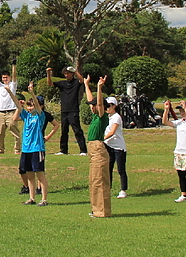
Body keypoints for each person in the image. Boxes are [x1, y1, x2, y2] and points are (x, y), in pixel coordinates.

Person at [2, 81, 51, 206]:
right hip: (26, 149)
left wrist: (32, 93)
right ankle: (31, 198)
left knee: (40, 174)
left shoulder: (40, 116)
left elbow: (39, 108)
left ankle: (44, 199)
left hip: (37, 148)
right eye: (29, 106)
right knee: (29, 175)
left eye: (32, 106)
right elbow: (17, 105)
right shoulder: (26, 116)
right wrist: (9, 91)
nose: (30, 108)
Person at [84, 75, 111, 218]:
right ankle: (96, 210)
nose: (92, 106)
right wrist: (86, 84)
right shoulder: (95, 115)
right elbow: (91, 101)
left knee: (100, 181)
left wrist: (100, 87)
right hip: (93, 150)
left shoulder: (102, 116)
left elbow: (99, 104)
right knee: (94, 181)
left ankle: (102, 212)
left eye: (93, 105)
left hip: (98, 149)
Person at [47, 65, 85, 155]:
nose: (66, 75)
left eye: (68, 73)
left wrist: (75, 71)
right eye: (65, 74)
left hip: (73, 110)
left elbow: (82, 80)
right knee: (64, 131)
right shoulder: (62, 83)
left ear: (71, 74)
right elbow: (50, 83)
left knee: (77, 130)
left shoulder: (76, 82)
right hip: (64, 110)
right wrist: (48, 73)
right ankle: (63, 150)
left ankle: (83, 150)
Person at [102, 96, 128, 199]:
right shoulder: (107, 117)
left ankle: (123, 190)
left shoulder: (117, 117)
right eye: (106, 106)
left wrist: (102, 138)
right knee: (108, 168)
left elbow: (112, 132)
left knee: (121, 169)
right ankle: (108, 188)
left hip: (118, 147)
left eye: (108, 106)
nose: (107, 108)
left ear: (114, 106)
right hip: (109, 145)